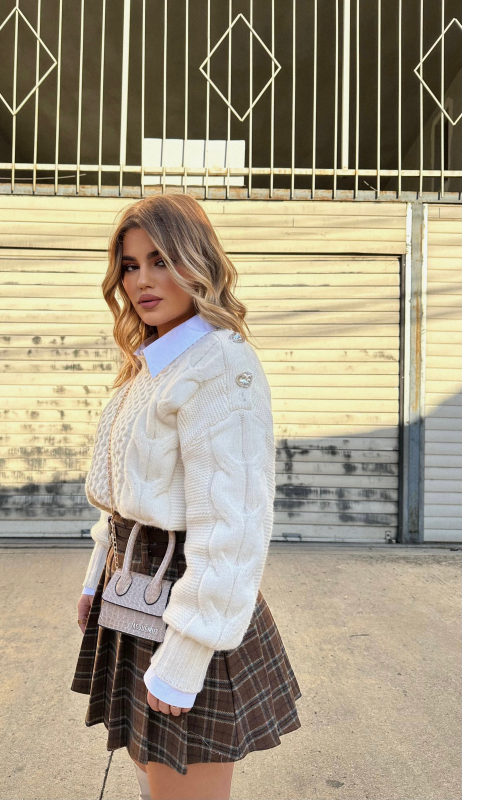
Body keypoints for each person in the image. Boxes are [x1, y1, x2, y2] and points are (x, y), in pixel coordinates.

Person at [70, 194, 302, 800]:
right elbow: (124, 496)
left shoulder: (220, 365)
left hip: (188, 604)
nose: (142, 281)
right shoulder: (151, 364)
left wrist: (185, 656)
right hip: (134, 590)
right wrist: (97, 578)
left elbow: (235, 526)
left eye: (160, 260)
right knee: (151, 781)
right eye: (129, 265)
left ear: (197, 263)